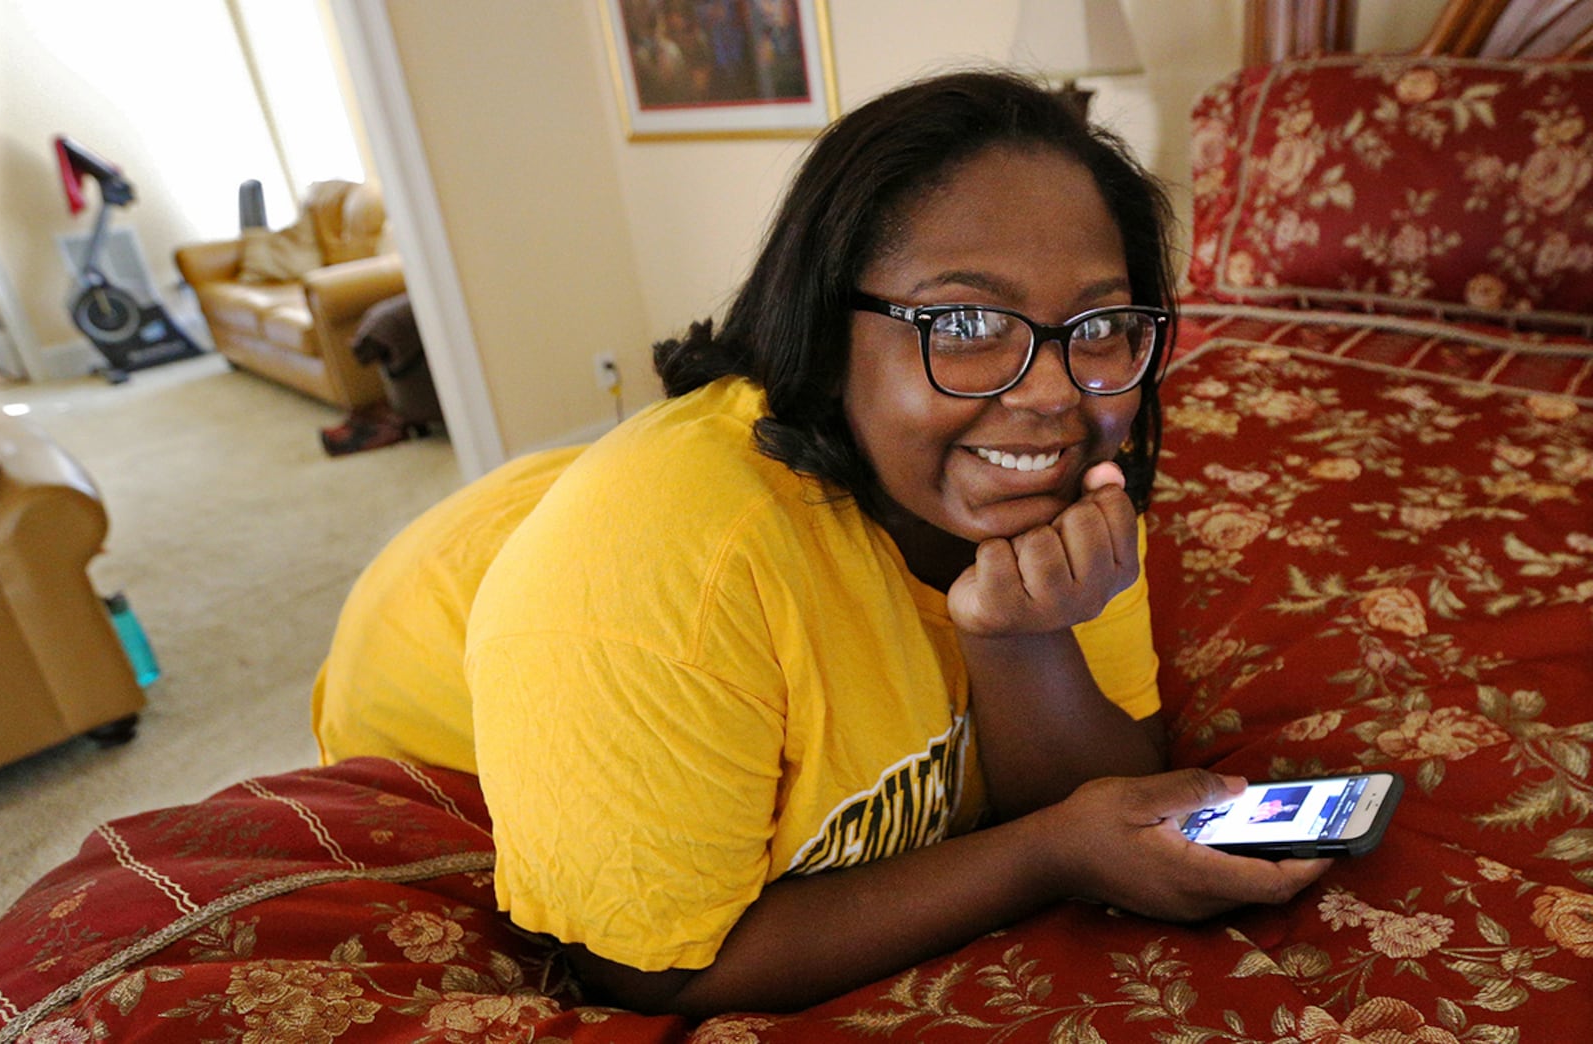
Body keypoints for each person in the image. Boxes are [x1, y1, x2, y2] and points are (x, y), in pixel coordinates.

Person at [313, 69, 1329, 1018]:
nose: (1054, 391)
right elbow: (649, 963)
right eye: (965, 320)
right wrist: (1042, 858)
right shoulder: (669, 574)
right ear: (824, 325)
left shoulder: (1067, 472)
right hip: (469, 648)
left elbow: (1101, 777)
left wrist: (1017, 640)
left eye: (1101, 325)